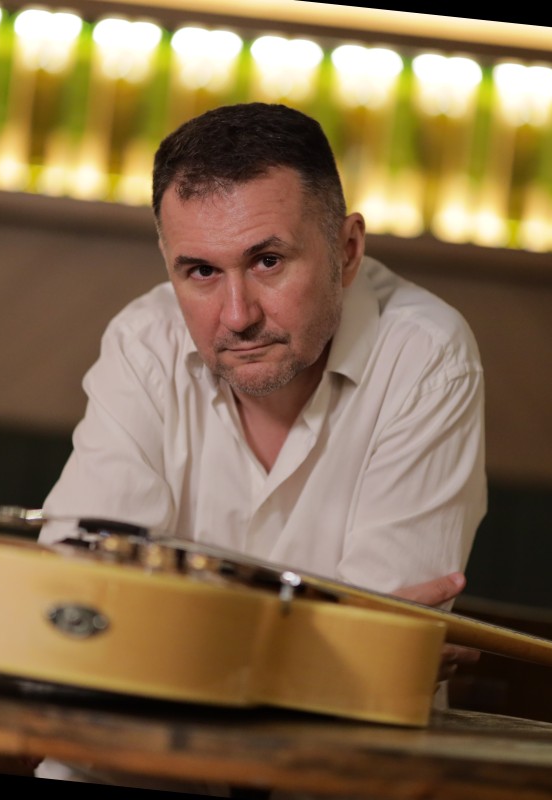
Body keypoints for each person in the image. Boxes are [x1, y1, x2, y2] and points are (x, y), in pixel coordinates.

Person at [36, 101, 486, 792]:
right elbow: (75, 611)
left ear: (347, 250)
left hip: (326, 780)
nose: (238, 315)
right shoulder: (142, 341)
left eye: (268, 261)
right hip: (125, 767)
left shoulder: (427, 356)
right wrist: (319, 651)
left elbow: (377, 664)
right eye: (200, 272)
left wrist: (172, 629)